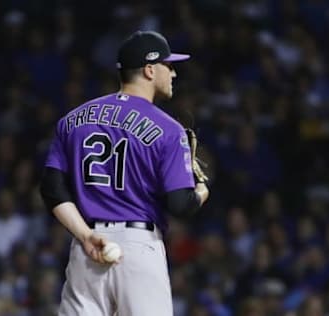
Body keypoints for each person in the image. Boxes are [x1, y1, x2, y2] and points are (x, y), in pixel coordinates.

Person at [40, 30, 210, 316]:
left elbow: (52, 189)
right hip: (138, 248)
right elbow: (180, 206)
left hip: (88, 247)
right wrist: (203, 191)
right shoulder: (169, 129)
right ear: (149, 69)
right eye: (169, 66)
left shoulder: (73, 120)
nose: (173, 73)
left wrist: (84, 236)